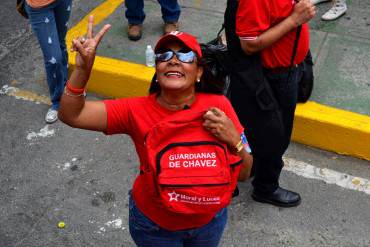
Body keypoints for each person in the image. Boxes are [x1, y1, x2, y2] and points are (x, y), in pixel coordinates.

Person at [59, 15, 253, 246]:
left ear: (199, 72)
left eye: (185, 55)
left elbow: (244, 173)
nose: (173, 60)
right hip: (155, 228)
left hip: (209, 224)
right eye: (164, 55)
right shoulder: (135, 110)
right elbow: (72, 115)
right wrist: (82, 69)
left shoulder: (220, 106)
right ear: (157, 69)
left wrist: (235, 140)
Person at [224, 0, 315, 207]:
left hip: (288, 70)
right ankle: (266, 187)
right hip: (273, 77)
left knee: (262, 130)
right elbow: (249, 44)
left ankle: (251, 168)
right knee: (276, 135)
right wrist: (295, 19)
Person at [25, 0, 72, 123]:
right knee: (53, 58)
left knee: (61, 44)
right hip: (38, 6)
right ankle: (58, 101)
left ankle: (68, 88)